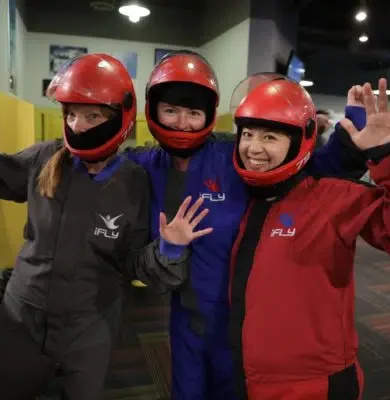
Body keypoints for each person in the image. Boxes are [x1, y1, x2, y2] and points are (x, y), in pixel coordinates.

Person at [0, 57, 212, 400]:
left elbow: (132, 261)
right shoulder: (46, 158)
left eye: (92, 116)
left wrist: (169, 249)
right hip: (22, 315)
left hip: (90, 325)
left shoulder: (134, 182)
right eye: (71, 114)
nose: (78, 125)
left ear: (119, 117)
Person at [123, 51, 371, 399]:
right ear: (154, 110)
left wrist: (350, 141)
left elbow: (309, 169)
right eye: (171, 110)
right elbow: (92, 166)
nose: (182, 122)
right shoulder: (140, 165)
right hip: (187, 318)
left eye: (193, 112)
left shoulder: (236, 153)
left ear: (209, 114)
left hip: (243, 323)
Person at [228, 76, 390, 399]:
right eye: (247, 134)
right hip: (247, 377)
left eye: (270, 137)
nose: (253, 148)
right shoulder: (246, 197)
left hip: (312, 384)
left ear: (297, 142)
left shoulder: (330, 197)